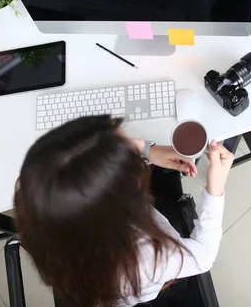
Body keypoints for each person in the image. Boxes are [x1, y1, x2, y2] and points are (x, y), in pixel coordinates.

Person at [14, 115, 234, 307]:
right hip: (146, 286)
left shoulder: (38, 201)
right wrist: (215, 190)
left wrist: (148, 150)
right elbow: (203, 257)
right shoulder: (148, 258)